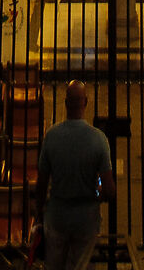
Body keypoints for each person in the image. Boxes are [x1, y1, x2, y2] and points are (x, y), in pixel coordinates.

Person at [35, 80, 111, 270]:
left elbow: (42, 183)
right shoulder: (98, 139)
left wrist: (39, 214)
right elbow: (109, 189)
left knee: (54, 263)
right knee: (84, 265)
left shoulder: (51, 136)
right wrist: (97, 193)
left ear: (66, 102)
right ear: (86, 102)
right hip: (86, 218)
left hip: (57, 216)